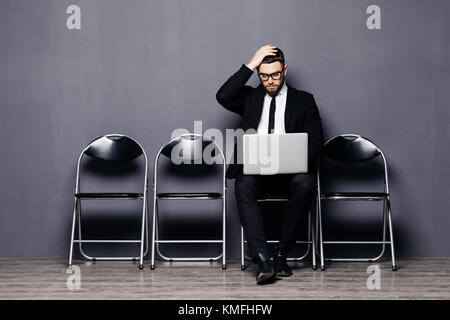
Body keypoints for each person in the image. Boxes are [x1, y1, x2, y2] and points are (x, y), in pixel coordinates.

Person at [216, 45, 324, 284]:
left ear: (284, 70)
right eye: (264, 76)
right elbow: (223, 96)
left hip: (291, 175)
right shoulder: (249, 98)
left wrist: (291, 156)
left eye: (275, 74)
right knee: (242, 184)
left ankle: (280, 254)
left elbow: (316, 141)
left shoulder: (304, 100)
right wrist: (251, 64)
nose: (270, 81)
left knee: (306, 184)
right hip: (257, 173)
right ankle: (263, 257)